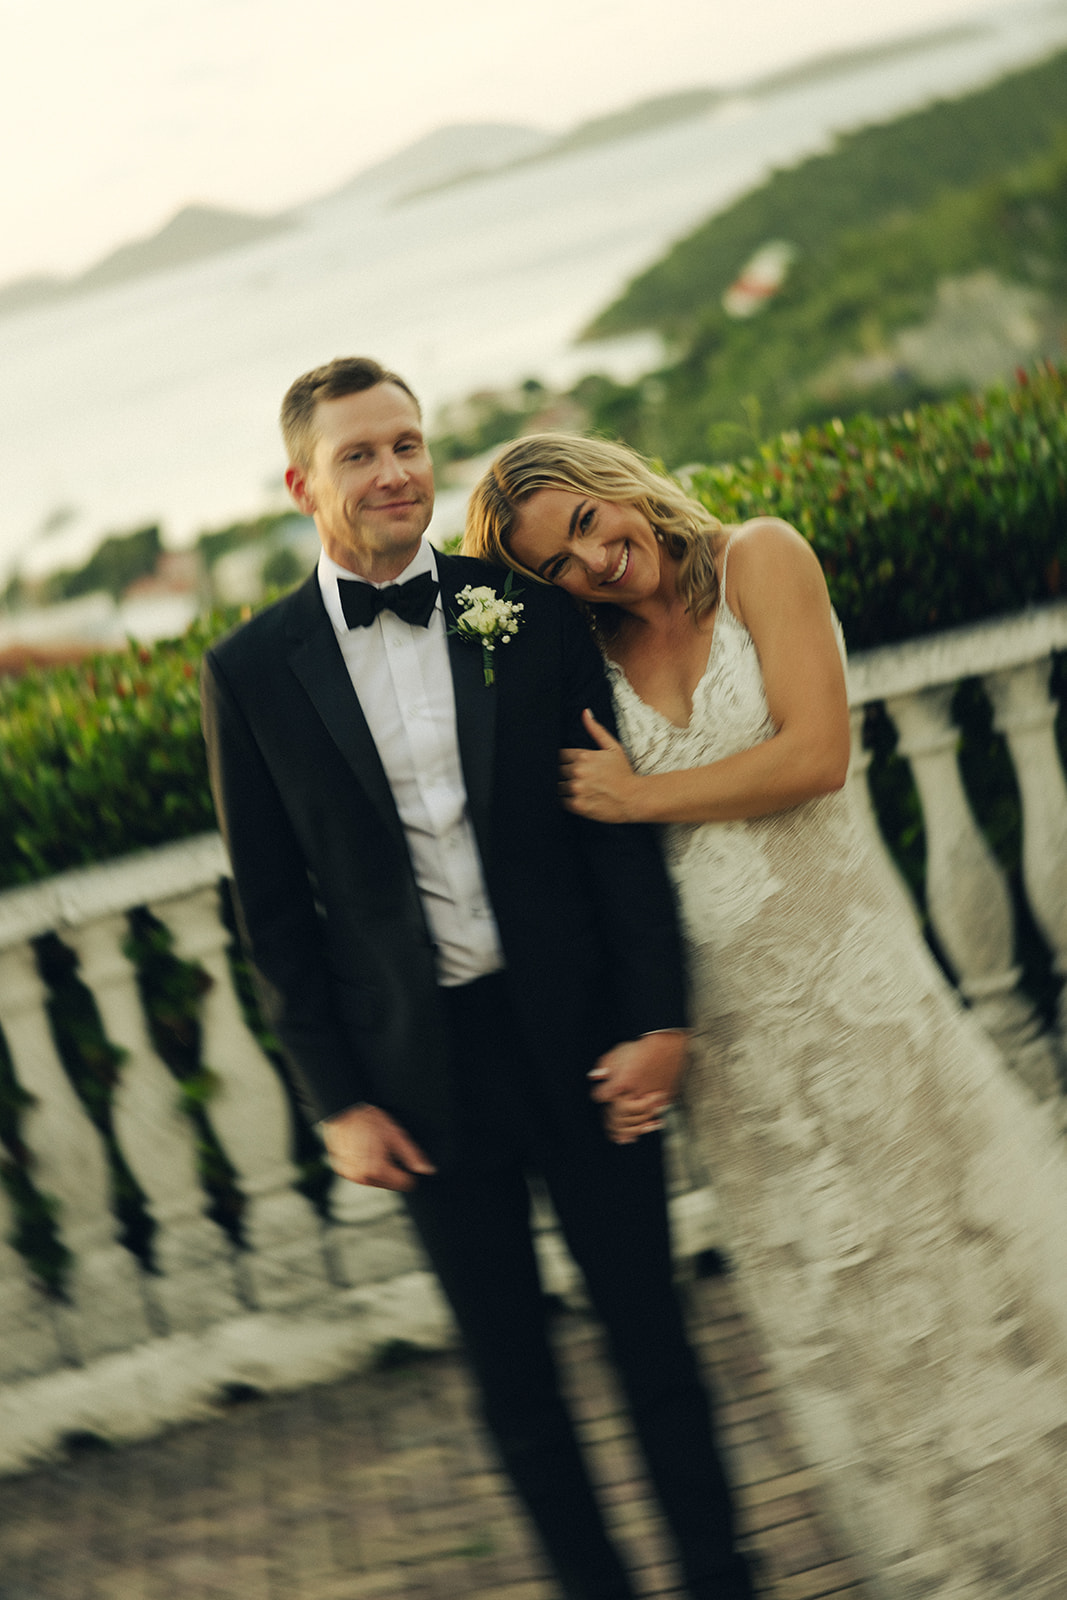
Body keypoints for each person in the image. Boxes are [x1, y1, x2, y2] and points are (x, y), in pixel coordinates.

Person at [464, 431, 1067, 1599]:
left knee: (957, 1254)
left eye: (590, 520)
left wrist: (643, 796)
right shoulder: (577, 659)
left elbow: (815, 752)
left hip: (858, 1001)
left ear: (618, 485)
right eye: (558, 565)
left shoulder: (756, 559)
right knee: (851, 1309)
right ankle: (959, 1564)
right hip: (733, 1051)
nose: (595, 559)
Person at [200, 359, 756, 1600]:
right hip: (421, 1081)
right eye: (359, 453)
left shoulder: (528, 611)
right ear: (302, 483)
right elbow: (276, 916)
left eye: (406, 443)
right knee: (516, 1386)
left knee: (654, 1343)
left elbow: (612, 832)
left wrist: (658, 1017)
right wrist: (337, 1100)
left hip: (583, 1041)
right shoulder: (248, 673)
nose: (394, 470)